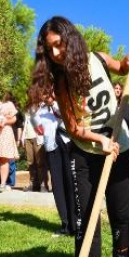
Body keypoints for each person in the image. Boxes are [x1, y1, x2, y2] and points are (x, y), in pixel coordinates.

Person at [29, 16, 129, 257]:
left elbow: (121, 67)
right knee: (87, 219)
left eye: (58, 45)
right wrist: (100, 141)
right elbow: (74, 127)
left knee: (122, 215)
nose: (55, 53)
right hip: (87, 151)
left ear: (70, 39)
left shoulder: (98, 60)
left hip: (121, 148)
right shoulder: (62, 84)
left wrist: (128, 62)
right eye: (48, 49)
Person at [31, 93, 76, 237]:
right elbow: (38, 128)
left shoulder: (63, 101)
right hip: (52, 147)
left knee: (71, 183)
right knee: (58, 186)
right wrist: (33, 108)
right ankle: (65, 224)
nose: (45, 95)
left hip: (68, 145)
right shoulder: (40, 110)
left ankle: (76, 224)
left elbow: (66, 116)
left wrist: (54, 103)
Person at [21, 101, 48, 192]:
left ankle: (43, 184)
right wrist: (23, 138)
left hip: (38, 138)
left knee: (40, 162)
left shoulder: (42, 106)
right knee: (31, 163)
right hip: (28, 137)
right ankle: (33, 184)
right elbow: (26, 124)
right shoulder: (27, 108)